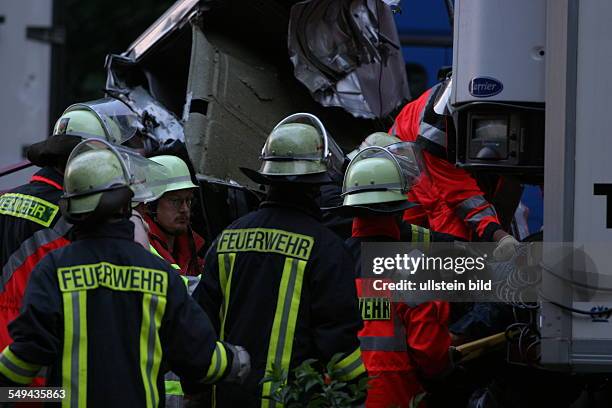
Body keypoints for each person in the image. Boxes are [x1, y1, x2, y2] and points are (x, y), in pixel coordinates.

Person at [0, 139, 250, 406]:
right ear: (126, 204)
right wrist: (235, 361)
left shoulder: (52, 270)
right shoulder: (159, 276)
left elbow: (27, 356)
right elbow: (198, 356)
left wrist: (8, 388)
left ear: (72, 208)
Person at [191, 113, 365, 407]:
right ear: (315, 186)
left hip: (228, 399)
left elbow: (199, 324)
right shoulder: (326, 249)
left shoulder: (227, 239)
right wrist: (359, 389)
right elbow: (339, 344)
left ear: (267, 180)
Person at [330, 143, 451, 408]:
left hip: (337, 397)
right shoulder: (413, 266)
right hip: (395, 397)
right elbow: (430, 351)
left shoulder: (331, 262)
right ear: (399, 208)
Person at [389, 79, 519, 260]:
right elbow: (461, 196)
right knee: (448, 225)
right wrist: (499, 235)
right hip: (411, 151)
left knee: (414, 234)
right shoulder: (437, 130)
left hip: (415, 148)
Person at [144, 155, 205, 276]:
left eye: (188, 200)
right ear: (151, 205)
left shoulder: (187, 244)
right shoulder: (143, 245)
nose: (185, 209)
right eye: (175, 201)